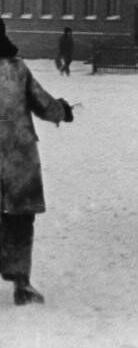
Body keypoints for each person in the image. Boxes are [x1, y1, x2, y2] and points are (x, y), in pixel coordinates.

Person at [0, 19, 74, 305]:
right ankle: (21, 283)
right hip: (18, 158)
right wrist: (63, 111)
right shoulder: (17, 70)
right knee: (20, 219)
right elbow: (43, 103)